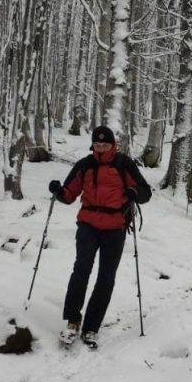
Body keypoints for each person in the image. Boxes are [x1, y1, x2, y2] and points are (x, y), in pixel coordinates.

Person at [49, 126, 151, 349]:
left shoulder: (124, 163)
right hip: (88, 226)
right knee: (81, 271)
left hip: (115, 227)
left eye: (105, 145)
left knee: (106, 277)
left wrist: (135, 194)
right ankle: (73, 321)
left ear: (113, 145)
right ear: (92, 145)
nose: (101, 148)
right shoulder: (85, 165)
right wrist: (58, 191)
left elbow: (145, 192)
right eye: (97, 144)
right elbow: (69, 194)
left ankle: (92, 327)